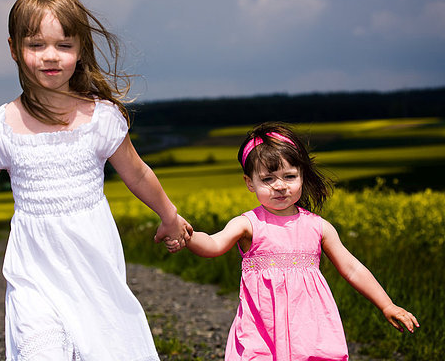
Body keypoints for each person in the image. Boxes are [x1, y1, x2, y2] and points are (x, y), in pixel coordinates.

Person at [0, 0, 192, 361]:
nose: (50, 56)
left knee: (107, 348)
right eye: (35, 45)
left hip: (93, 263)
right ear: (14, 49)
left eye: (64, 45)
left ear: (80, 49)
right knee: (41, 350)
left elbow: (137, 173)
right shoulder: (1, 125)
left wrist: (169, 217)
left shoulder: (100, 118)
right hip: (33, 270)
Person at [169, 122, 418, 360]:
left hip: (310, 330)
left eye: (289, 176)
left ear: (302, 176)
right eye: (268, 179)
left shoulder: (319, 227)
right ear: (250, 183)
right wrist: (187, 235)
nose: (280, 186)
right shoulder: (247, 224)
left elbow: (352, 268)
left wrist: (387, 305)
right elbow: (213, 245)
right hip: (261, 330)